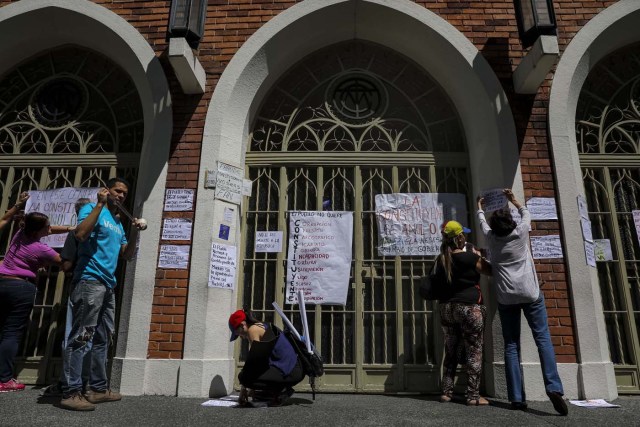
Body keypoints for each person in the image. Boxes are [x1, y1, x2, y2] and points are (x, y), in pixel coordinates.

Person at [477, 189, 568, 415]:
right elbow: (526, 213)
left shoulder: (492, 239)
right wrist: (514, 200)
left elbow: (481, 223)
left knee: (511, 345)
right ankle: (553, 387)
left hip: (506, 296)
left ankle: (517, 398)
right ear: (510, 222)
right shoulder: (520, 233)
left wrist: (479, 206)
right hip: (530, 293)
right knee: (543, 339)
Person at [60, 179, 144, 411]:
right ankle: (71, 391)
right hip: (89, 280)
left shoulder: (117, 223)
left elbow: (125, 255)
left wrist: (135, 232)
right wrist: (99, 204)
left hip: (108, 285)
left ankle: (96, 389)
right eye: (118, 191)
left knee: (103, 337)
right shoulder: (92, 209)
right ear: (107, 191)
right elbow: (80, 234)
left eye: (125, 193)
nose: (122, 196)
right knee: (81, 336)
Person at [0, 196, 64, 392]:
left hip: (2, 282)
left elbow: (9, 219)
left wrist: (69, 229)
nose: (51, 229)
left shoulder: (20, 235)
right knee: (11, 333)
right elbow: (63, 261)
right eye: (48, 227)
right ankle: (4, 379)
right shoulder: (41, 248)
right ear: (38, 230)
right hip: (21, 288)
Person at [436, 220, 492, 406]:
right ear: (459, 237)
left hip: (447, 309)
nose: (465, 237)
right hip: (469, 307)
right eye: (464, 235)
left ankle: (446, 392)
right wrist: (479, 255)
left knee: (450, 350)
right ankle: (473, 396)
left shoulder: (442, 258)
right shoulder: (469, 258)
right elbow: (490, 271)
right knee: (474, 351)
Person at [41, 198, 91, 398]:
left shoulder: (76, 233)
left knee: (73, 334)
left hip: (80, 284)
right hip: (99, 286)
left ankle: (67, 383)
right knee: (89, 335)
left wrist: (57, 262)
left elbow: (67, 265)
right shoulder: (102, 232)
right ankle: (86, 381)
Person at [229, 309, 304, 407]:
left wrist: (244, 387)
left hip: (291, 371)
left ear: (243, 324)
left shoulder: (253, 330)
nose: (240, 336)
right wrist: (252, 389)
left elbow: (254, 361)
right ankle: (275, 392)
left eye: (238, 333)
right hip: (294, 368)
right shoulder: (262, 325)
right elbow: (262, 361)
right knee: (252, 381)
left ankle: (281, 391)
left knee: (244, 377)